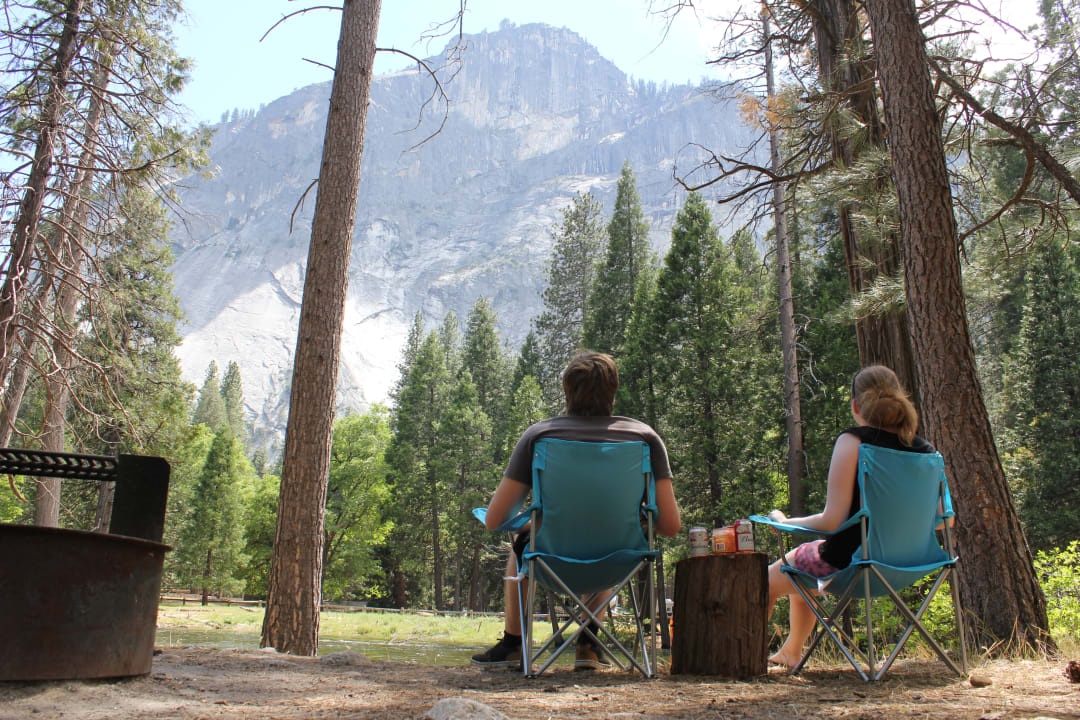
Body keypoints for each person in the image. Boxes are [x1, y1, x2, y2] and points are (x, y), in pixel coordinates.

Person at [471, 351, 681, 670]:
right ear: (613, 392)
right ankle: (588, 643)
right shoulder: (645, 438)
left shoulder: (539, 436)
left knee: (521, 541)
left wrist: (535, 522)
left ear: (567, 391)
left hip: (550, 562)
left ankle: (515, 643)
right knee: (611, 536)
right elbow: (669, 525)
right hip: (619, 563)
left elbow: (495, 520)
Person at [764, 364, 941, 669]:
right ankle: (791, 651)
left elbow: (831, 521)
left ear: (856, 405)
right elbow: (944, 519)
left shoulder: (853, 442)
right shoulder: (926, 452)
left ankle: (747, 661)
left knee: (768, 580)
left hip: (852, 565)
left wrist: (784, 522)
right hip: (911, 566)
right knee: (798, 567)